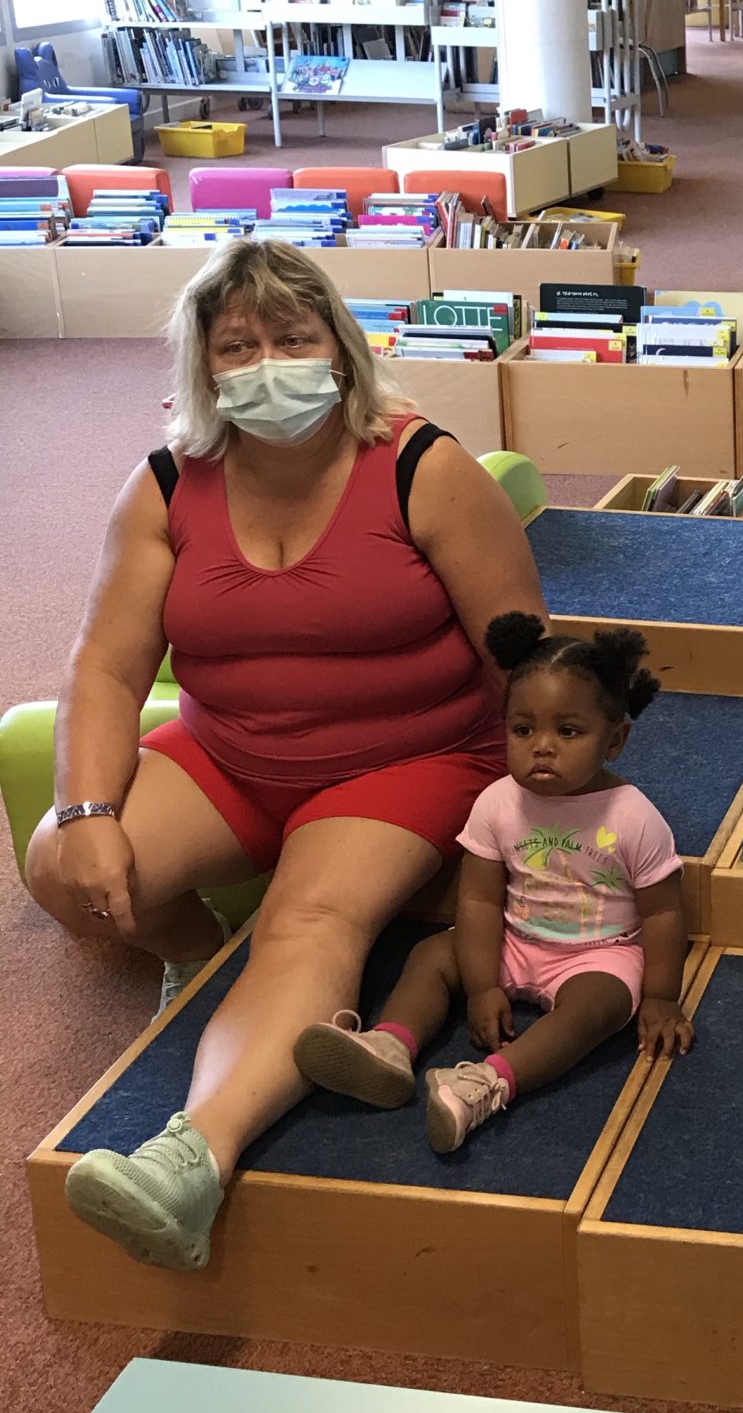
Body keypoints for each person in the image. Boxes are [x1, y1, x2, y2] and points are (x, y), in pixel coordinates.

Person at [35, 236, 544, 1270]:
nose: (267, 364)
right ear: (204, 367)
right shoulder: (166, 483)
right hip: (228, 752)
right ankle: (195, 951)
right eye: (238, 346)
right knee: (58, 862)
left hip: (409, 758)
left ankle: (192, 1162)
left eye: (293, 339)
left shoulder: (424, 467)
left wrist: (536, 810)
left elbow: (524, 654)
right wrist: (87, 814)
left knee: (310, 918)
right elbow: (106, 669)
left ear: (340, 350)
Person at [291, 615, 692, 1154]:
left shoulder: (633, 816)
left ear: (614, 739)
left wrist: (662, 996)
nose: (542, 747)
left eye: (568, 732)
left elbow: (663, 912)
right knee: (432, 955)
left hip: (598, 953)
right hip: (514, 939)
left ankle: (487, 1083)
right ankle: (390, 1045)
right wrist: (482, 986)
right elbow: (479, 899)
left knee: (596, 1007)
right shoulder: (497, 802)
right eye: (523, 730)